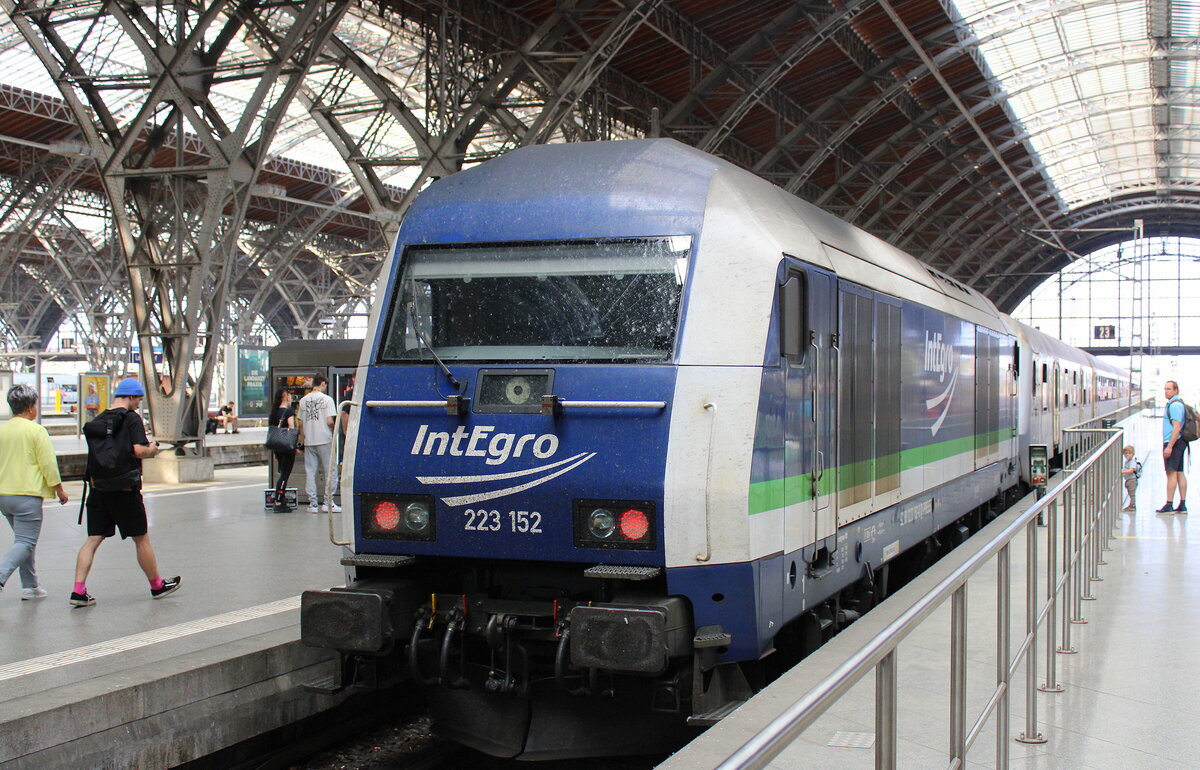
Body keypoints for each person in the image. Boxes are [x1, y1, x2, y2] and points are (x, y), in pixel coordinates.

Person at [70, 377, 181, 606]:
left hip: (98, 489)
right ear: (130, 397)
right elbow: (138, 450)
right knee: (141, 539)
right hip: (125, 489)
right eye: (139, 399)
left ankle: (78, 591)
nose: (139, 403)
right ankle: (157, 585)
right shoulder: (131, 418)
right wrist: (153, 450)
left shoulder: (99, 419)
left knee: (92, 540)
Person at [0, 384, 68, 600]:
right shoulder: (35, 430)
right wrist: (59, 489)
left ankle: (30, 586)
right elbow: (48, 463)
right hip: (27, 495)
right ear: (30, 407)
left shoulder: (2, 429)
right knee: (26, 542)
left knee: (23, 540)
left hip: (4, 496)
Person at [297, 374, 339, 513]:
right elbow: (329, 421)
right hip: (324, 439)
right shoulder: (327, 400)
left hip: (309, 441)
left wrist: (302, 440)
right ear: (322, 383)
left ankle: (313, 504)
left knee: (310, 471)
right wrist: (334, 430)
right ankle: (328, 502)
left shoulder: (303, 400)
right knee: (330, 471)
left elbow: (301, 423)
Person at [1158, 380, 1188, 514]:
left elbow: (1176, 427)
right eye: (1165, 389)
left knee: (1171, 473)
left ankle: (1169, 504)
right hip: (1180, 442)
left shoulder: (1174, 406)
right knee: (1180, 472)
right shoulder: (1178, 403)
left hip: (1174, 442)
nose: (1166, 391)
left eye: (1169, 389)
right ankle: (1182, 504)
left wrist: (1169, 446)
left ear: (1176, 390)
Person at [269, 389, 299, 513]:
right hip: (287, 447)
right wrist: (295, 445)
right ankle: (279, 500)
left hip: (277, 446)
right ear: (285, 397)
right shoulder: (288, 411)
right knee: (285, 475)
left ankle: (279, 499)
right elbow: (291, 428)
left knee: (282, 472)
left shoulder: (274, 412)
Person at [1121, 445, 1140, 512]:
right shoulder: (1127, 461)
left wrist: (1122, 472)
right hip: (1128, 480)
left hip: (1132, 480)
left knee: (1132, 493)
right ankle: (1131, 504)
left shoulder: (1132, 462)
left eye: (1129, 453)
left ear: (1133, 454)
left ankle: (1132, 505)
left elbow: (1131, 470)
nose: (1127, 455)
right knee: (1130, 493)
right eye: (1126, 453)